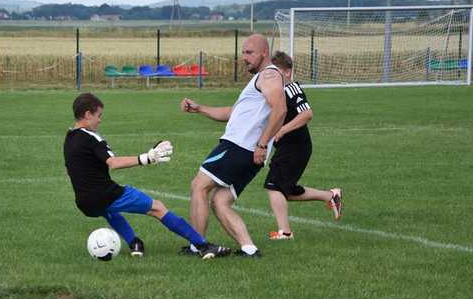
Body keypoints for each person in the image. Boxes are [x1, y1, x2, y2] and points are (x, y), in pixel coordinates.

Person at [64, 92, 230, 260]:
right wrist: (146, 158)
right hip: (106, 193)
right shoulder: (92, 137)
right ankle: (203, 246)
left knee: (107, 211)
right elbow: (113, 163)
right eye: (99, 115)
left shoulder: (69, 137)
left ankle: (135, 243)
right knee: (157, 208)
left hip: (84, 202)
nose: (100, 120)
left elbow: (69, 170)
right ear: (87, 114)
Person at [180, 34, 287, 258]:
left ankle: (197, 246)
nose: (244, 58)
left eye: (250, 53)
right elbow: (231, 114)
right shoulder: (259, 79)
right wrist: (199, 108)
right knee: (220, 201)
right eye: (243, 52)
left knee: (199, 186)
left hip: (240, 147)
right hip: (249, 153)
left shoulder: (269, 75)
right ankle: (249, 249)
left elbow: (280, 110)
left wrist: (261, 144)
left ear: (264, 53)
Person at [263, 51, 342, 240]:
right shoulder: (277, 92)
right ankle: (330, 195)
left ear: (288, 72)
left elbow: (307, 114)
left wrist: (282, 130)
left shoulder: (291, 89)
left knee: (273, 186)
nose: (272, 77)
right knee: (286, 191)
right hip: (288, 147)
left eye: (276, 73)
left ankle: (285, 232)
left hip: (296, 147)